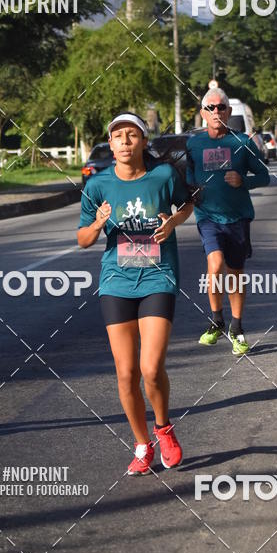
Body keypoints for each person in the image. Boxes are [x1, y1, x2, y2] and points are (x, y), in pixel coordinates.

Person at [78, 112, 193, 476]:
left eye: (132, 135)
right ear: (110, 145)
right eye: (118, 136)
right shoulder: (98, 185)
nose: (125, 141)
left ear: (144, 142)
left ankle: (164, 428)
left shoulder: (163, 176)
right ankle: (143, 445)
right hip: (116, 283)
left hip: (158, 278)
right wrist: (98, 223)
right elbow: (82, 239)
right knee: (126, 373)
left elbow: (187, 204)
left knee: (150, 367)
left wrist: (173, 221)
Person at [186, 88, 270, 356]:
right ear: (202, 114)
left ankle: (236, 327)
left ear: (229, 112)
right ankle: (216, 319)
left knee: (234, 274)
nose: (216, 112)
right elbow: (187, 177)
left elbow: (264, 176)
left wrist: (243, 180)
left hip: (238, 217)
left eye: (220, 107)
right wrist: (190, 190)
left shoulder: (242, 142)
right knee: (215, 263)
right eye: (210, 108)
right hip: (208, 216)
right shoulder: (194, 145)